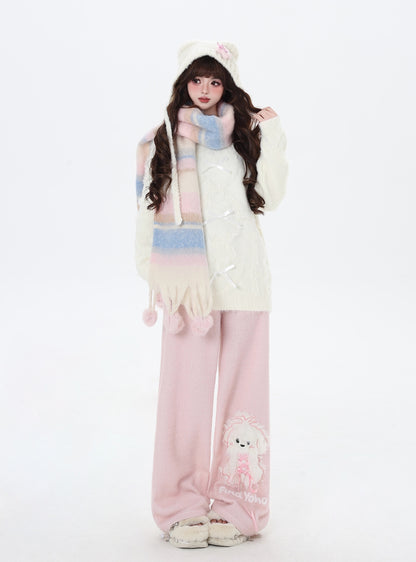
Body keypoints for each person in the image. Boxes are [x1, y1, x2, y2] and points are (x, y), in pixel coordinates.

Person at [134, 40, 288, 548]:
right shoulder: (162, 140)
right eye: (196, 80)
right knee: (184, 399)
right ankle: (179, 507)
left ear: (228, 85)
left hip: (245, 281)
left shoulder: (245, 136)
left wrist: (273, 134)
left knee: (246, 395)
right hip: (189, 290)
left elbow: (272, 195)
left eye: (215, 81)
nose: (204, 90)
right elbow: (146, 210)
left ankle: (239, 505)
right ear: (184, 83)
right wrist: (157, 275)